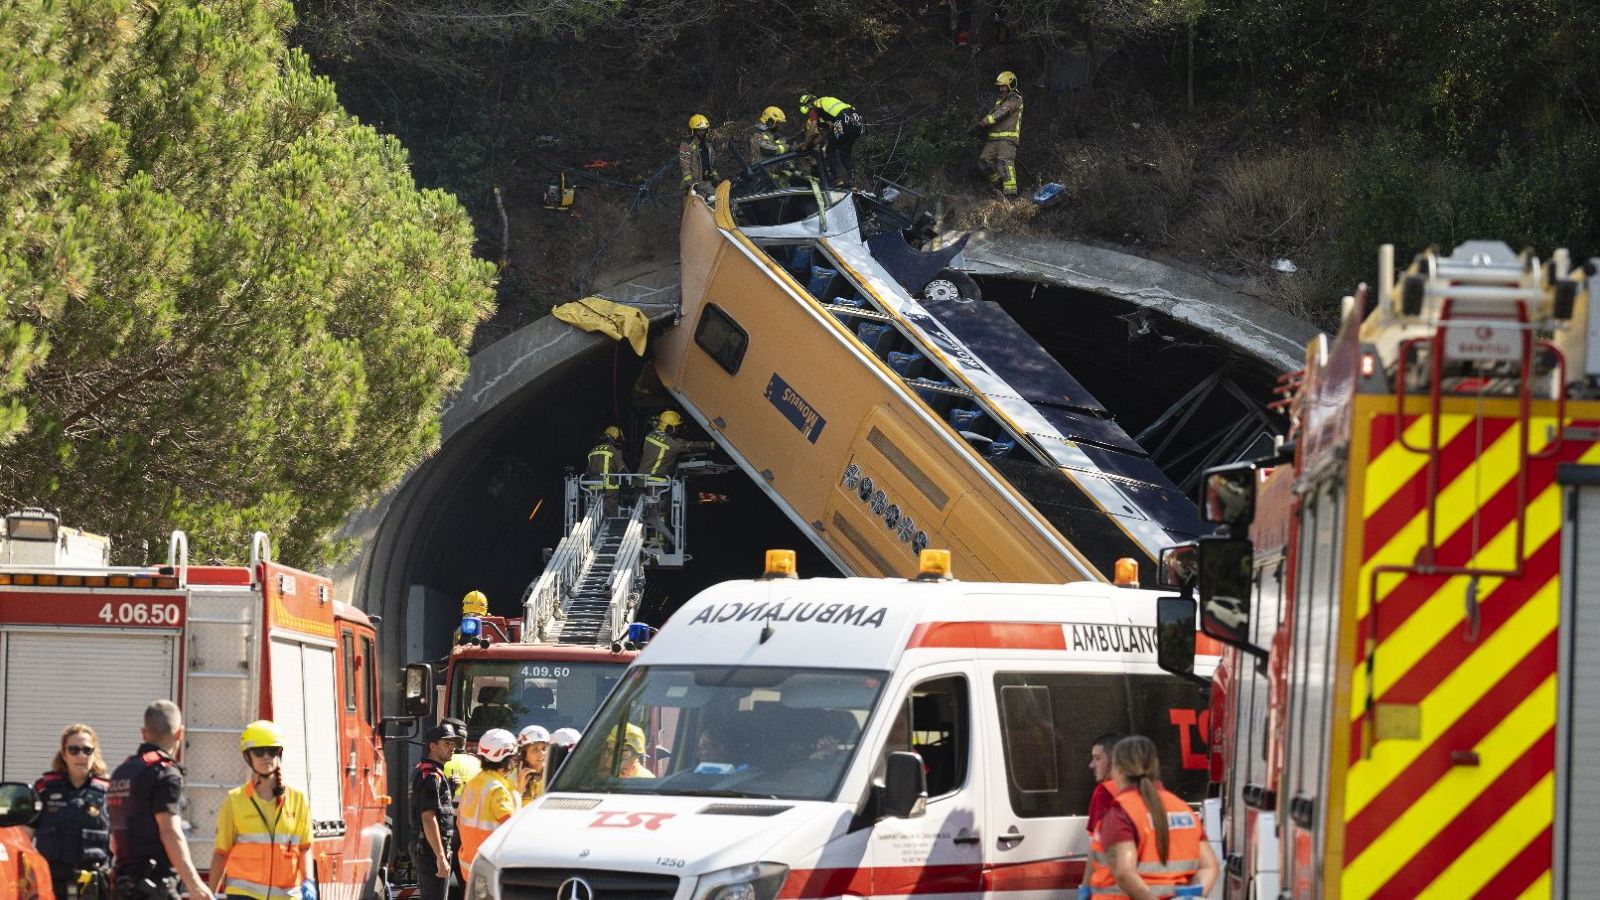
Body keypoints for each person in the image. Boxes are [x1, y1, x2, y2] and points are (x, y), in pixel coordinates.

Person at [1084, 736, 1218, 900]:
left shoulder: (1120, 811)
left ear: (1118, 770)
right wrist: (1192, 896)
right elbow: (1209, 866)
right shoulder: (1183, 809)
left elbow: (1124, 873)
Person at [106, 700, 213, 900]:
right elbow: (169, 830)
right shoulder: (165, 773)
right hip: (155, 887)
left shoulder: (122, 771)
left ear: (144, 733)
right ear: (179, 733)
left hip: (122, 886)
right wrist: (194, 884)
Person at [208, 721, 314, 900]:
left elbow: (305, 848)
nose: (266, 757)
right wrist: (209, 894)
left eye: (272, 751)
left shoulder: (297, 798)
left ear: (279, 753)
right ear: (248, 756)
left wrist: (309, 881)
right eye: (259, 751)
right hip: (244, 895)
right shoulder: (235, 800)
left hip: (286, 896)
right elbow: (221, 853)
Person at [30, 724, 111, 900]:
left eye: (87, 750)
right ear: (64, 754)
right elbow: (25, 836)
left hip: (94, 888)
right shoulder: (44, 790)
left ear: (94, 754)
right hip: (51, 887)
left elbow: (121, 841)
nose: (80, 755)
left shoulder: (108, 792)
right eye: (74, 750)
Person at [640, 410, 713, 548]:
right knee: (660, 514)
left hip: (640, 483)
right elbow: (690, 446)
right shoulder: (672, 443)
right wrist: (711, 445)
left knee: (644, 514)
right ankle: (658, 545)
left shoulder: (649, 436)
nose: (678, 431)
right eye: (676, 427)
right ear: (668, 427)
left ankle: (644, 542)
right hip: (657, 485)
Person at [455, 730, 521, 874]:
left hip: (469, 865)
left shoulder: (473, 784)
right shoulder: (498, 789)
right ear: (507, 758)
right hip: (491, 867)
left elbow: (459, 822)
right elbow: (512, 831)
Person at [410, 723, 461, 900]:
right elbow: (428, 817)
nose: (452, 748)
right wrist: (440, 856)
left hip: (431, 848)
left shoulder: (434, 773)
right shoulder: (430, 776)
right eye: (446, 743)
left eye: (453, 744)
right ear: (432, 746)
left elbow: (438, 810)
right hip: (430, 850)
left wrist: (451, 789)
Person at [798, 94, 864, 187]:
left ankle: (838, 180)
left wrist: (805, 145)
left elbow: (812, 129)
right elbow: (825, 133)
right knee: (844, 152)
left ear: (807, 105)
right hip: (856, 120)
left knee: (830, 150)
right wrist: (812, 145)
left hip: (841, 121)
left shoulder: (814, 107)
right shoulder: (826, 102)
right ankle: (855, 180)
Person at [976, 71, 1023, 197]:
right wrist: (979, 124)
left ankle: (1011, 195)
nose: (1001, 89)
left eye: (1003, 86)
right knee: (983, 161)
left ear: (1010, 85)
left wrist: (985, 122)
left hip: (1007, 139)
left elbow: (1002, 112)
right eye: (1000, 86)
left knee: (1004, 164)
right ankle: (997, 185)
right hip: (994, 139)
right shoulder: (1000, 101)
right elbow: (993, 113)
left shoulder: (1015, 99)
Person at [586, 425, 628, 517]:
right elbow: (623, 471)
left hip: (593, 491)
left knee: (595, 518)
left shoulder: (592, 450)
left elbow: (588, 471)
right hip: (610, 491)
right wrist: (630, 483)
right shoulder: (615, 450)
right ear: (616, 438)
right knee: (611, 518)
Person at [678, 114, 719, 196]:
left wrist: (716, 178)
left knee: (720, 200)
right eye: (699, 130)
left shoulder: (708, 146)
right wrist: (689, 183)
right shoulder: (686, 145)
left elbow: (712, 165)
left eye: (704, 130)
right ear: (693, 131)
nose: (702, 133)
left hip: (707, 183)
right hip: (694, 184)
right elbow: (685, 165)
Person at [515, 726, 551, 803]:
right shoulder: (512, 777)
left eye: (544, 749)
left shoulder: (554, 775)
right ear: (524, 755)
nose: (541, 754)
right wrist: (519, 789)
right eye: (535, 750)